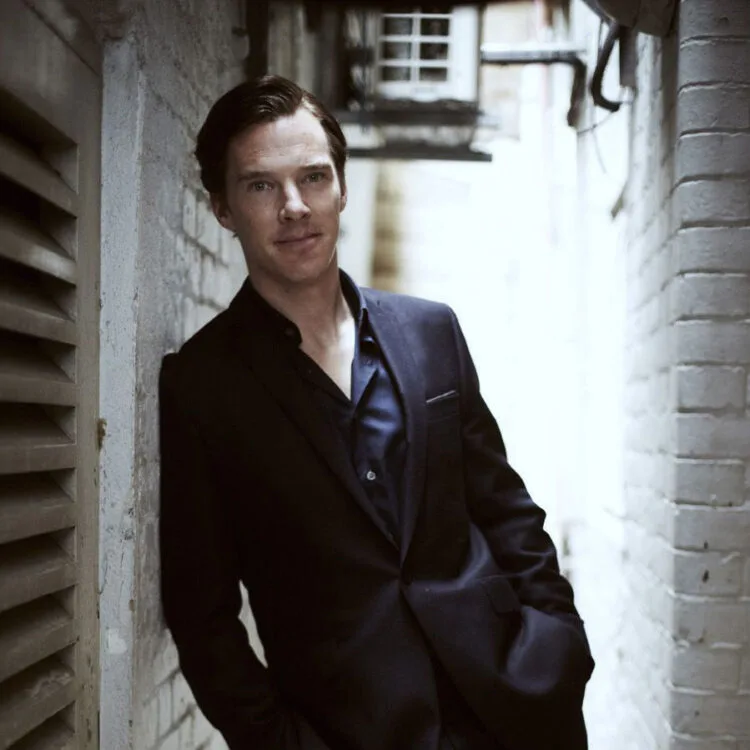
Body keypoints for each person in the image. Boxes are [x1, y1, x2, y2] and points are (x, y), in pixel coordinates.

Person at [159, 74, 594, 750]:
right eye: (261, 186)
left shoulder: (431, 331)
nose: (295, 206)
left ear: (341, 187)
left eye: (313, 177)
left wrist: (558, 642)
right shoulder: (203, 385)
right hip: (354, 733)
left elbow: (505, 507)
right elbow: (200, 613)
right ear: (222, 208)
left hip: (518, 709)